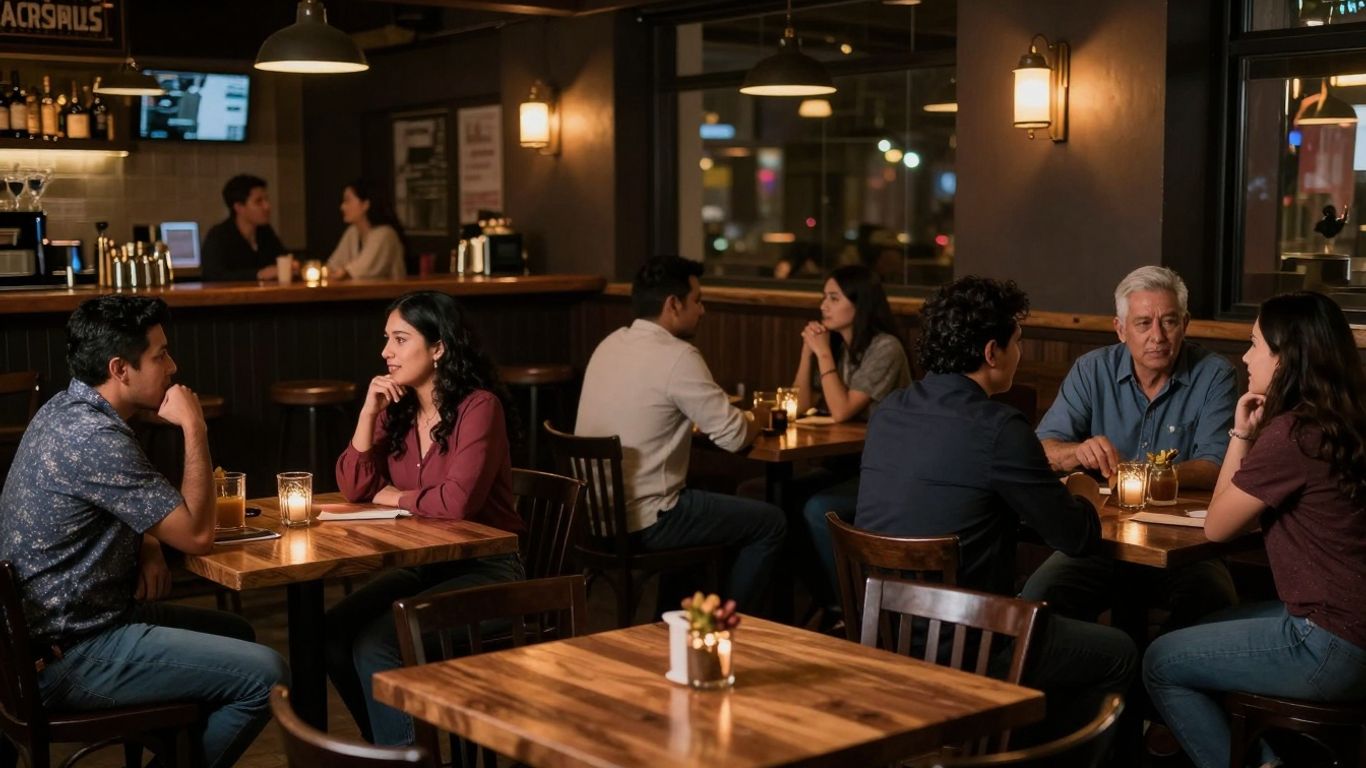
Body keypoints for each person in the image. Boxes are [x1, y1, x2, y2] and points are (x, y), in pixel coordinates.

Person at [0, 295, 288, 768]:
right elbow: (197, 536)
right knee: (267, 675)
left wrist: (148, 539)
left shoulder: (65, 408)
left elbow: (128, 509)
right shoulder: (95, 439)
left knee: (238, 633)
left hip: (46, 641)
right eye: (160, 355)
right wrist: (194, 428)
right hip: (70, 655)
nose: (173, 367)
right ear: (120, 368)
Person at [856, 276, 1137, 753]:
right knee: (1121, 654)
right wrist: (1087, 491)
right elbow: (1076, 539)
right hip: (970, 644)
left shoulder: (889, 411)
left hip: (885, 634)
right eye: (1019, 342)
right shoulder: (999, 427)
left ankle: (1011, 741)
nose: (1020, 353)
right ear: (992, 353)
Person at [1144, 292, 1366, 768]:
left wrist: (1241, 434)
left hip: (1329, 644)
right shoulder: (1345, 419)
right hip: (1353, 630)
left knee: (1159, 661)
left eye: (1254, 344)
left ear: (1286, 356)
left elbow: (1220, 527)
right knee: (1200, 624)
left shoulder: (1292, 433)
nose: (1245, 357)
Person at [324, 290, 524, 746]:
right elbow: (356, 488)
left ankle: (407, 758)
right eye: (386, 339)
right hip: (424, 567)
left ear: (438, 348)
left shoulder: (479, 407)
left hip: (490, 571)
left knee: (376, 642)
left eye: (399, 339)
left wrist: (396, 494)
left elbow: (457, 503)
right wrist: (367, 410)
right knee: (331, 632)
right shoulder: (396, 406)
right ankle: (390, 748)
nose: (385, 352)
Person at [1024, 266, 1238, 633]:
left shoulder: (1214, 375)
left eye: (1169, 322)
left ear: (1185, 324)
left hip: (1183, 547)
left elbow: (1216, 466)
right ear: (1120, 329)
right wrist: (1079, 452)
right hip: (1099, 541)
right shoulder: (1091, 370)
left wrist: (1138, 472)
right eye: (1143, 324)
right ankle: (1095, 677)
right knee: (1036, 600)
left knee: (1215, 603)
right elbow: (1043, 450)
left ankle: (1159, 676)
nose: (1157, 336)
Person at [576, 255, 785, 612]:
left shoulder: (609, 344)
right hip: (646, 522)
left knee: (697, 505)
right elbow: (734, 436)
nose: (702, 310)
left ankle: (675, 624)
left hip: (593, 517)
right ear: (673, 304)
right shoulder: (678, 356)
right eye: (698, 300)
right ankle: (720, 627)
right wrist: (758, 415)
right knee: (771, 522)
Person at [789, 264, 910, 624]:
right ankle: (826, 600)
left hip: (889, 473)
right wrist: (808, 353)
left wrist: (822, 352)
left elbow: (841, 411)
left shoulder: (885, 348)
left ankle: (853, 609)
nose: (823, 305)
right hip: (849, 463)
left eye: (833, 298)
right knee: (782, 499)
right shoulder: (841, 347)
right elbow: (796, 406)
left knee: (817, 508)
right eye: (824, 297)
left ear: (860, 304)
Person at [201, 174, 291, 282]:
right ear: (239, 207)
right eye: (258, 201)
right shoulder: (218, 236)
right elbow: (213, 275)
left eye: (266, 199)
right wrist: (259, 274)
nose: (267, 206)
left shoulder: (265, 232)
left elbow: (282, 258)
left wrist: (291, 266)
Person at [325, 178, 408, 280]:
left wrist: (340, 272)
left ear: (365, 204)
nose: (342, 207)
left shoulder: (385, 234)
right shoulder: (352, 232)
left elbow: (360, 271)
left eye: (347, 201)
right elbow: (333, 266)